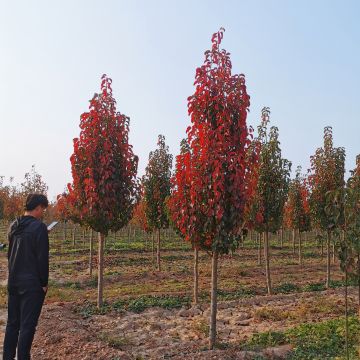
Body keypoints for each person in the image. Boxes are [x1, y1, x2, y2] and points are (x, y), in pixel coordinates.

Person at [3, 193, 49, 360]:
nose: (42, 212)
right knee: (27, 326)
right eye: (42, 209)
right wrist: (44, 283)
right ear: (37, 208)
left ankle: (7, 357)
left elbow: (10, 255)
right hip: (32, 284)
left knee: (12, 324)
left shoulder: (14, 225)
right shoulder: (39, 228)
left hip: (14, 281)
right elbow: (42, 258)